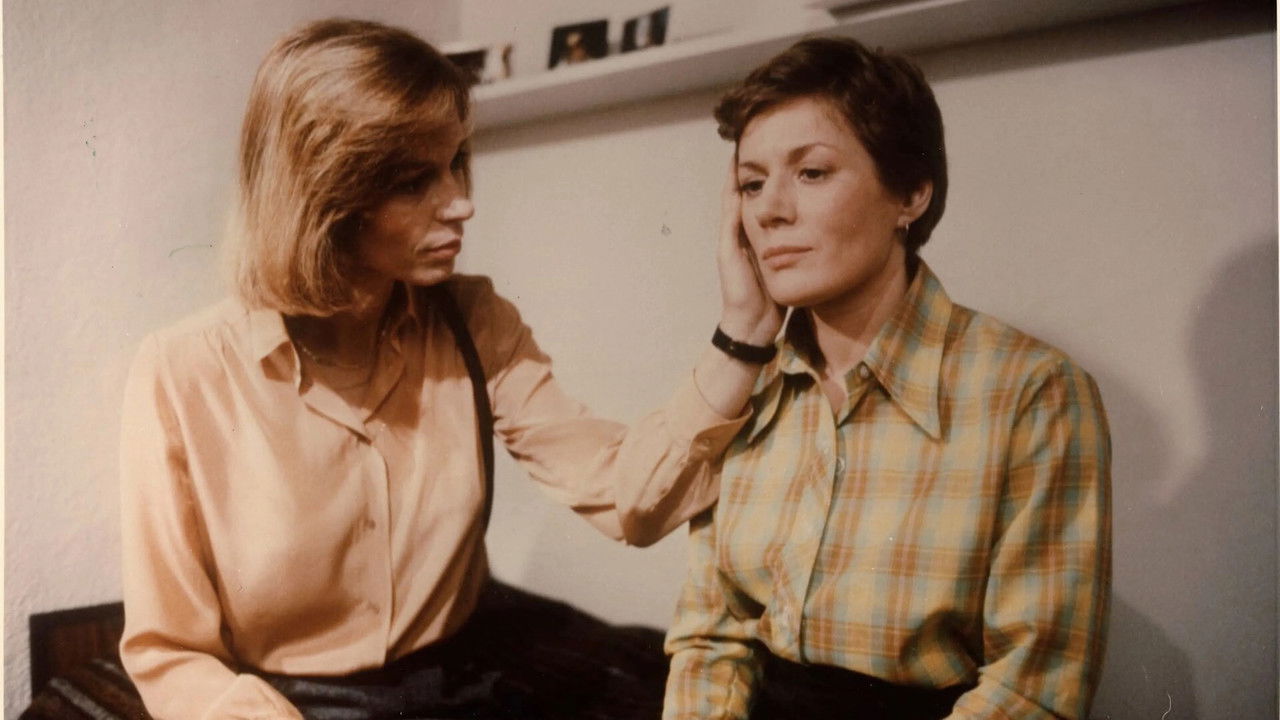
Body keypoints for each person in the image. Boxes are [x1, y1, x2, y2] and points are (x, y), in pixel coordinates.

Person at [118, 18, 782, 720]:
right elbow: (170, 653)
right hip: (288, 698)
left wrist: (742, 334)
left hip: (464, 673)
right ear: (324, 195)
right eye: (414, 181)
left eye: (458, 161)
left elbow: (627, 500)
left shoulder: (474, 319)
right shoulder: (183, 373)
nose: (462, 202)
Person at [662, 37, 1112, 720]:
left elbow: (1034, 687)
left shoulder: (1033, 393)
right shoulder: (745, 385)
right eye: (751, 184)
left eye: (811, 172)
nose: (770, 210)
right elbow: (710, 640)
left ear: (910, 193)